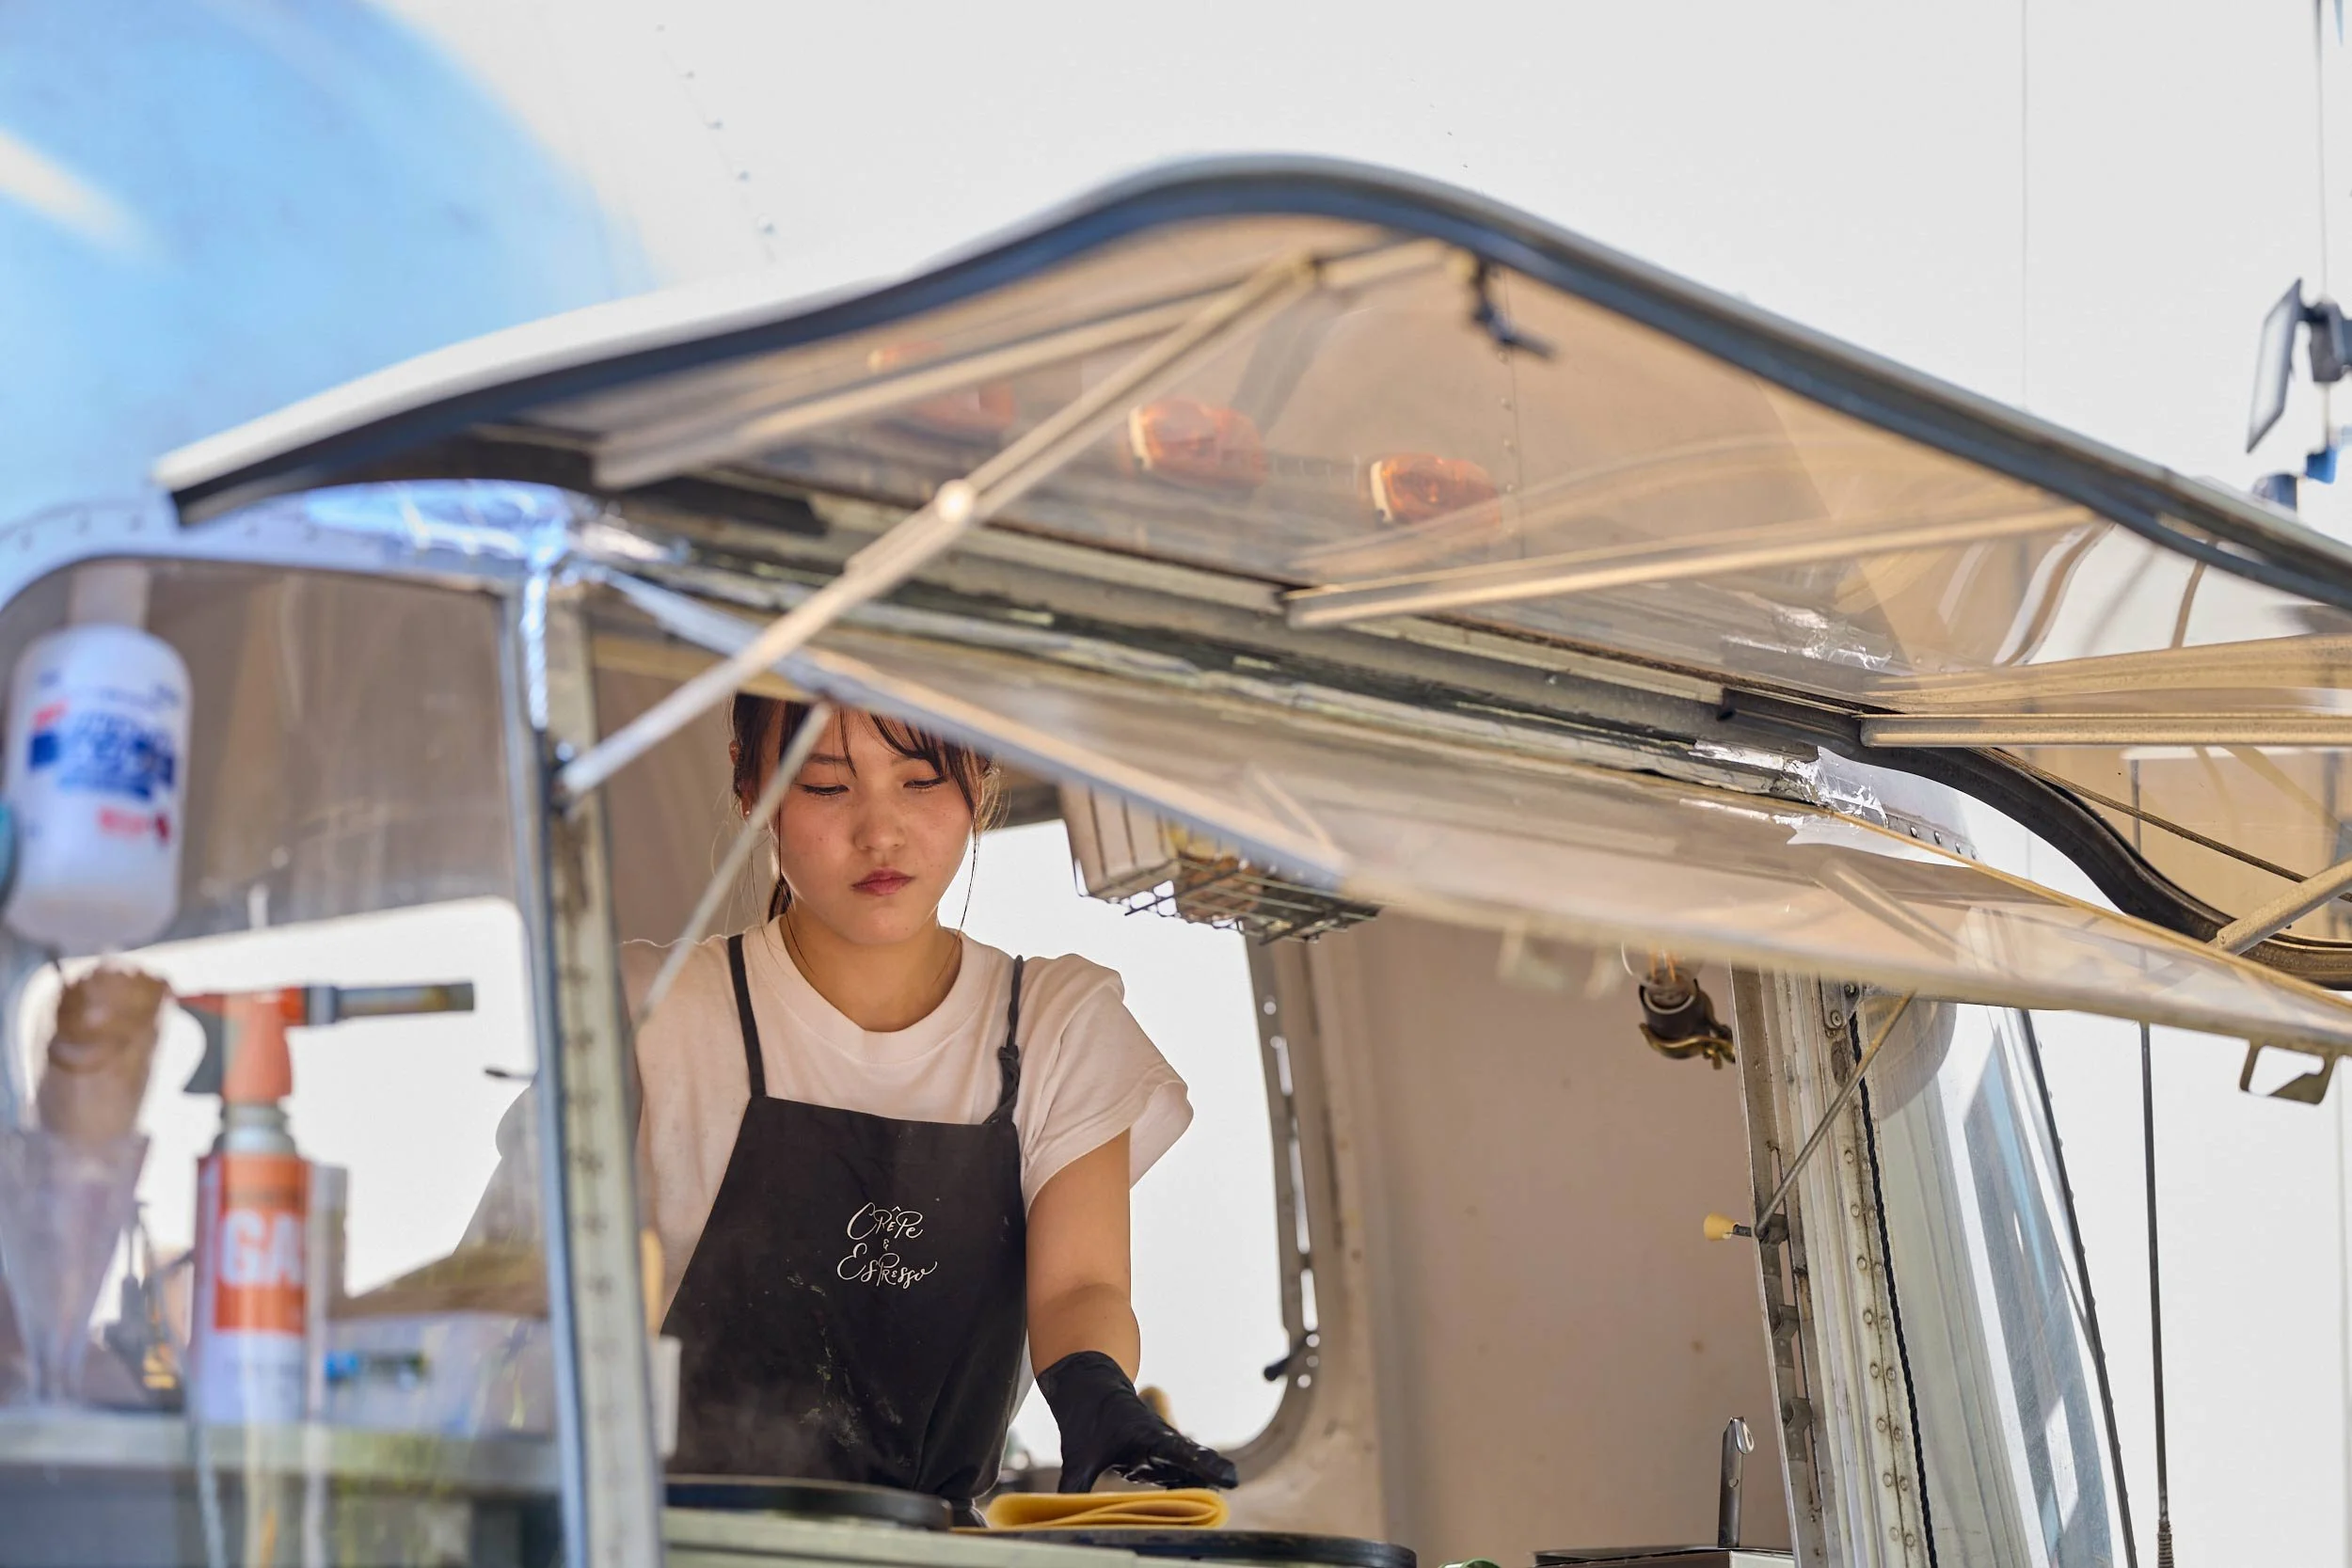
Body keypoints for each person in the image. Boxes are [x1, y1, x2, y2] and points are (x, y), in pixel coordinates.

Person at [534, 694, 1236, 1513]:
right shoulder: (649, 1016)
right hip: (676, 1540)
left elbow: (1079, 1284)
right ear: (751, 788)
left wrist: (1093, 1387)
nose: (880, 833)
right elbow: (513, 1296)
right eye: (829, 787)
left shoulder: (1056, 1024)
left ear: (979, 775)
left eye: (919, 780)